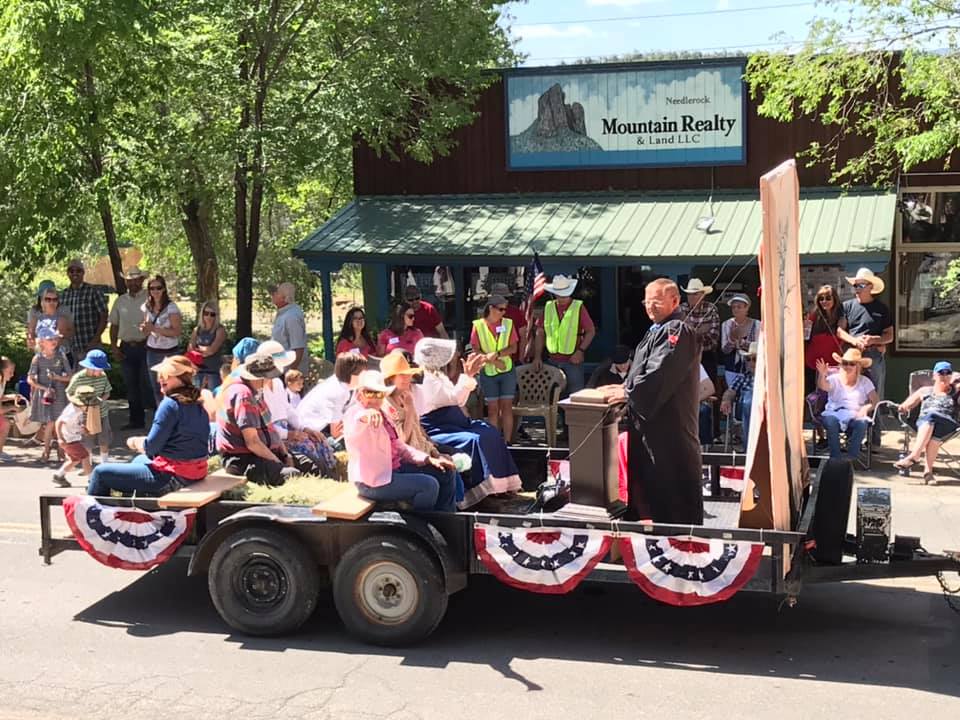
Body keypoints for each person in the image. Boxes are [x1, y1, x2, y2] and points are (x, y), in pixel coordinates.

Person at [619, 278, 703, 524]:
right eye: (647, 301)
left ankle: (677, 541)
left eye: (656, 301)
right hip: (650, 424)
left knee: (671, 486)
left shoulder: (676, 330)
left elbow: (661, 372)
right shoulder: (656, 329)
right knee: (650, 484)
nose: (649, 307)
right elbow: (641, 371)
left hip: (670, 424)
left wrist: (628, 392)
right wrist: (625, 387)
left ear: (674, 301)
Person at [412, 338, 521, 508]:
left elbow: (459, 401)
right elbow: (453, 398)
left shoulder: (438, 375)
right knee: (474, 440)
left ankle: (501, 486)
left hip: (454, 422)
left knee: (489, 432)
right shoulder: (425, 380)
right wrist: (468, 375)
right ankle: (480, 493)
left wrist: (467, 377)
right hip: (437, 427)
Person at [87, 356, 210, 496]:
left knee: (100, 473)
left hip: (172, 477)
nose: (160, 379)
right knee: (139, 460)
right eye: (160, 375)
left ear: (181, 378)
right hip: (195, 473)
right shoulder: (197, 404)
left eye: (166, 375)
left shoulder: (170, 404)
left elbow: (151, 448)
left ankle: (93, 515)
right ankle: (134, 510)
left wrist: (136, 442)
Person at [344, 369, 456, 512]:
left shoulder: (383, 414)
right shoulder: (356, 413)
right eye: (369, 393)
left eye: (379, 393)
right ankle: (423, 529)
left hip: (393, 470)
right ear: (359, 395)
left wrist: (428, 459)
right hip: (372, 482)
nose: (375, 398)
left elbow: (400, 446)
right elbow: (357, 419)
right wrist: (367, 414)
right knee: (429, 485)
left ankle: (447, 522)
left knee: (446, 472)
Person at [216, 352, 300, 486]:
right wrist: (278, 463)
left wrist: (285, 455)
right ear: (259, 378)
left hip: (262, 454)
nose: (270, 381)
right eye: (268, 377)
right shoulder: (243, 395)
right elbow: (253, 442)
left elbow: (270, 427)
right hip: (243, 459)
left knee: (309, 464)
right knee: (292, 476)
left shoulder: (255, 392)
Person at [836, 268, 892, 442]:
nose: (856, 288)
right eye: (855, 284)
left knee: (875, 394)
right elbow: (839, 330)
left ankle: (874, 438)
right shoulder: (847, 306)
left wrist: (875, 340)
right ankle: (851, 436)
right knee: (850, 392)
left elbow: (889, 335)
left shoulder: (882, 308)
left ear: (870, 286)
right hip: (852, 356)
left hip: (873, 354)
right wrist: (854, 341)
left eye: (860, 284)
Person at [893, 361, 960, 484]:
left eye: (948, 373)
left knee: (931, 416)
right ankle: (928, 474)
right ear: (934, 376)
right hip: (927, 425)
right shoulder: (924, 391)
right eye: (941, 373)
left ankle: (914, 456)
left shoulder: (956, 392)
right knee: (934, 435)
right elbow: (907, 405)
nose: (944, 376)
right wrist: (901, 408)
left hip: (949, 423)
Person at [533, 273, 595, 396]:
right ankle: (556, 416)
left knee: (575, 396)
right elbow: (540, 333)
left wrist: (580, 351)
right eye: (560, 294)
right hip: (552, 361)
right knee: (552, 396)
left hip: (573, 361)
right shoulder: (548, 308)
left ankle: (574, 417)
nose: (563, 297)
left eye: (565, 294)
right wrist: (537, 356)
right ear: (555, 294)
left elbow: (590, 331)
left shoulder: (578, 307)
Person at [470, 294, 519, 440]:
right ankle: (495, 441)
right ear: (491, 308)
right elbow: (476, 350)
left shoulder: (508, 323)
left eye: (505, 309)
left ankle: (508, 442)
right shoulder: (478, 325)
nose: (503, 312)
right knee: (492, 409)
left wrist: (497, 355)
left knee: (507, 408)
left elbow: (513, 348)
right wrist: (493, 361)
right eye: (500, 309)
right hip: (489, 371)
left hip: (507, 370)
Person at [815, 349, 879, 461]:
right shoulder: (834, 379)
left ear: (858, 366)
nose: (847, 366)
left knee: (862, 423)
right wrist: (822, 374)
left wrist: (866, 407)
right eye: (845, 363)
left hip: (855, 414)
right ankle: (835, 458)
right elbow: (823, 386)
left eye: (852, 364)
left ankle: (851, 457)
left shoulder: (865, 381)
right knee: (831, 421)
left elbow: (875, 400)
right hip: (834, 412)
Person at [109, 267, 152, 429]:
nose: (133, 283)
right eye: (130, 280)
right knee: (131, 384)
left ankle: (156, 419)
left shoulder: (149, 299)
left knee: (146, 383)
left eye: (136, 279)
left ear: (141, 280)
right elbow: (114, 325)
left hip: (145, 346)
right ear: (126, 282)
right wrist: (114, 347)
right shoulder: (120, 301)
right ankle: (136, 420)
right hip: (126, 346)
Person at [297, 352, 368, 445]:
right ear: (352, 373)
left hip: (317, 428)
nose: (365, 375)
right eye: (363, 372)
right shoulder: (337, 391)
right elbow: (336, 433)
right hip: (311, 434)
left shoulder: (338, 383)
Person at [28, 327, 73, 464]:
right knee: (49, 423)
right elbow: (30, 379)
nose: (54, 341)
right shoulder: (38, 358)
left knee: (59, 422)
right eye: (50, 339)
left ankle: (61, 451)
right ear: (41, 342)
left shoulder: (61, 355)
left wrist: (58, 377)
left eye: (55, 339)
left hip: (59, 393)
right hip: (46, 395)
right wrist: (43, 388)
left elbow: (70, 376)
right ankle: (46, 451)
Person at [65, 349, 112, 464]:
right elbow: (69, 392)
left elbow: (107, 392)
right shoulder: (78, 378)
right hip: (85, 414)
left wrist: (101, 400)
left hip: (102, 413)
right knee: (87, 440)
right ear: (90, 367)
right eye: (98, 368)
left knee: (104, 439)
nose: (101, 371)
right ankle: (88, 464)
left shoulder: (103, 376)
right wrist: (79, 404)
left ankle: (104, 463)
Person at [142, 275, 182, 405]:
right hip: (152, 351)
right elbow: (147, 327)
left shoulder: (171, 307)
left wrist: (155, 329)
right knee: (157, 387)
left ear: (164, 289)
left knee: (172, 386)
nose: (155, 291)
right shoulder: (146, 306)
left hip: (169, 352)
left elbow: (176, 331)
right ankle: (162, 415)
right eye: (152, 288)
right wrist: (145, 328)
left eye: (158, 288)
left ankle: (175, 416)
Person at [60, 259, 107, 362]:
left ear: (83, 272)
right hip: (72, 348)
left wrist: (95, 340)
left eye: (78, 270)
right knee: (74, 378)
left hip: (92, 346)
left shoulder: (93, 291)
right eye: (71, 271)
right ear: (68, 273)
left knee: (95, 377)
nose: (75, 273)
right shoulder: (63, 295)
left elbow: (104, 316)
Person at [52, 385, 99, 487]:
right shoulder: (72, 411)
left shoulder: (78, 410)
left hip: (72, 438)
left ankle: (59, 475)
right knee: (85, 456)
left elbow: (75, 423)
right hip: (69, 440)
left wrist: (82, 428)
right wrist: (60, 438)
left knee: (75, 459)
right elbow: (58, 422)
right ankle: (92, 480)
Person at [804, 284, 847, 395]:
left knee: (833, 394)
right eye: (821, 299)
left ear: (834, 299)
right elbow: (806, 337)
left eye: (828, 298)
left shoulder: (842, 316)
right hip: (813, 363)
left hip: (834, 365)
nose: (824, 301)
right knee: (814, 396)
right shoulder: (814, 316)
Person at [680, 277, 721, 385]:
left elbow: (713, 339)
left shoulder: (711, 309)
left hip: (707, 356)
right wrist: (701, 331)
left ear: (703, 295)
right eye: (689, 294)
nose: (691, 297)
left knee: (709, 389)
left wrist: (691, 331)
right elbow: (679, 336)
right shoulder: (681, 309)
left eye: (695, 294)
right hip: (687, 356)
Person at [720, 342, 757, 450]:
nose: (751, 363)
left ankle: (749, 450)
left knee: (752, 397)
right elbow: (730, 391)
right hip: (744, 408)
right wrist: (726, 400)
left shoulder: (768, 378)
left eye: (754, 359)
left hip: (763, 409)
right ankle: (748, 449)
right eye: (748, 359)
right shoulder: (742, 377)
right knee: (748, 398)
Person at [719, 293, 761, 387]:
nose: (736, 309)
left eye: (739, 307)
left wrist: (742, 342)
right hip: (732, 368)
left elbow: (758, 347)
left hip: (752, 369)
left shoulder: (757, 324)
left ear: (747, 308)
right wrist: (732, 339)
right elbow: (725, 350)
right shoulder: (727, 324)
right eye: (733, 307)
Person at [270, 281, 310, 375]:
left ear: (285, 297)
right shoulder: (284, 313)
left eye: (276, 292)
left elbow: (298, 348)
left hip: (288, 374)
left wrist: (291, 374)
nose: (272, 295)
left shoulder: (292, 316)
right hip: (281, 369)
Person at [188, 301, 227, 390]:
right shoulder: (197, 330)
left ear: (216, 315)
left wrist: (199, 350)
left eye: (212, 314)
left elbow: (212, 350)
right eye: (206, 313)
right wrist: (204, 350)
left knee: (213, 398)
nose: (208, 317)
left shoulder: (220, 330)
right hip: (198, 371)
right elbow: (190, 349)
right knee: (197, 398)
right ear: (202, 314)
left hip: (214, 371)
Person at [27, 282, 74, 353]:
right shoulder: (34, 314)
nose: (51, 302)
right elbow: (30, 337)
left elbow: (62, 336)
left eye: (55, 299)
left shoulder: (63, 314)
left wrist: (40, 341)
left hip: (60, 354)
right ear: (42, 299)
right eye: (48, 299)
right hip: (40, 355)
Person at [491, 282, 528, 364]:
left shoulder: (516, 312)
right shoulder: (487, 313)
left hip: (512, 360)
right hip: (492, 360)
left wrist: (521, 359)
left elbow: (523, 336)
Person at [0, 356, 25, 462]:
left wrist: (11, 397)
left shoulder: (2, 381)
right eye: (10, 371)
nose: (12, 374)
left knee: (5, 424)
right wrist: (13, 407)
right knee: (5, 423)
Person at [698, 364, 716, 448]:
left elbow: (710, 389)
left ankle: (703, 445)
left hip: (692, 403)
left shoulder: (696, 365)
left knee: (704, 410)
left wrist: (692, 401)